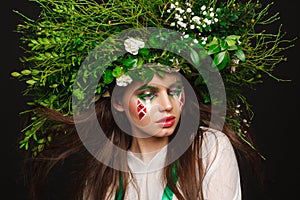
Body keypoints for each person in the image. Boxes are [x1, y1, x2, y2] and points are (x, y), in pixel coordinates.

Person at [12, 0, 294, 200]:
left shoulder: (208, 150)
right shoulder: (103, 176)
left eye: (174, 90)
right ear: (118, 102)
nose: (168, 105)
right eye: (148, 95)